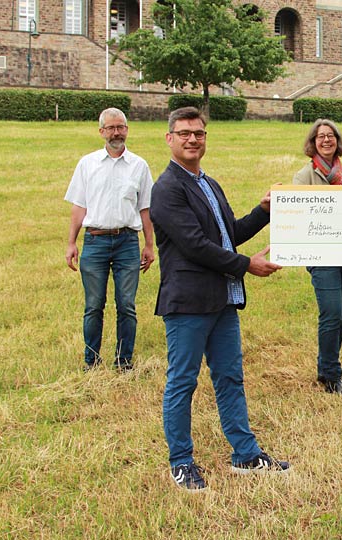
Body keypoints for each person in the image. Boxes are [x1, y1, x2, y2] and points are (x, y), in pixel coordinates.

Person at [150, 107, 290, 492]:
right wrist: (248, 265)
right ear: (170, 139)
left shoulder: (208, 183)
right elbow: (195, 247)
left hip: (223, 300)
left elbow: (227, 234)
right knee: (182, 382)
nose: (193, 139)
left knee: (230, 378)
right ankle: (181, 462)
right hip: (189, 303)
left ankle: (245, 455)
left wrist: (263, 212)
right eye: (184, 133)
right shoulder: (166, 188)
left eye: (199, 133)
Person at [64, 107, 155, 372]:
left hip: (128, 242)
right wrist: (71, 242)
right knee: (93, 305)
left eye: (121, 127)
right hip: (95, 242)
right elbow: (79, 207)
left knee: (126, 305)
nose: (117, 133)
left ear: (127, 129)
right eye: (111, 128)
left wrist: (149, 245)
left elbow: (145, 208)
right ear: (101, 132)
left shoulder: (139, 166)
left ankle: (124, 361)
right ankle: (91, 361)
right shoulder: (87, 164)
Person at [293, 119, 342, 396]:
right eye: (321, 136)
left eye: (331, 136)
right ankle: (331, 376)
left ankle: (326, 366)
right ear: (313, 142)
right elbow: (297, 215)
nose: (326, 140)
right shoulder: (303, 177)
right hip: (321, 253)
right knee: (331, 312)